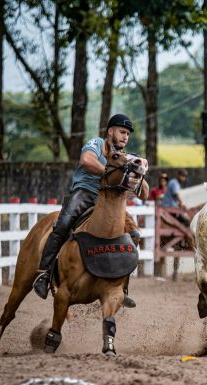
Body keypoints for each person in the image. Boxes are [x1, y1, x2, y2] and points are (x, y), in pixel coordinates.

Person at [32, 113, 148, 307]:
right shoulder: (95, 143)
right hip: (85, 192)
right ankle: (43, 274)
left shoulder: (127, 158)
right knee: (63, 224)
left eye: (127, 133)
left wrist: (140, 175)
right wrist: (111, 172)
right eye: (122, 132)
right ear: (110, 131)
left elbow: (144, 194)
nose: (125, 136)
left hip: (109, 200)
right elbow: (86, 160)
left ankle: (122, 287)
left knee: (134, 235)